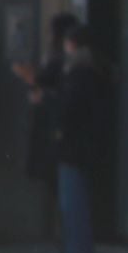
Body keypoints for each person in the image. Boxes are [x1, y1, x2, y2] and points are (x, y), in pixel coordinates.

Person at [43, 24, 109, 253]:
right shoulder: (89, 70)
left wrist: (49, 101)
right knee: (72, 202)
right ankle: (73, 252)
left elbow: (70, 109)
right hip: (80, 146)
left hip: (75, 148)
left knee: (73, 204)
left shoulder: (80, 72)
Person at [14, 12, 81, 232]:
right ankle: (63, 244)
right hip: (57, 132)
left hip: (61, 134)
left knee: (67, 194)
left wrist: (38, 88)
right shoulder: (60, 60)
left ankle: (68, 247)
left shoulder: (66, 62)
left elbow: (55, 91)